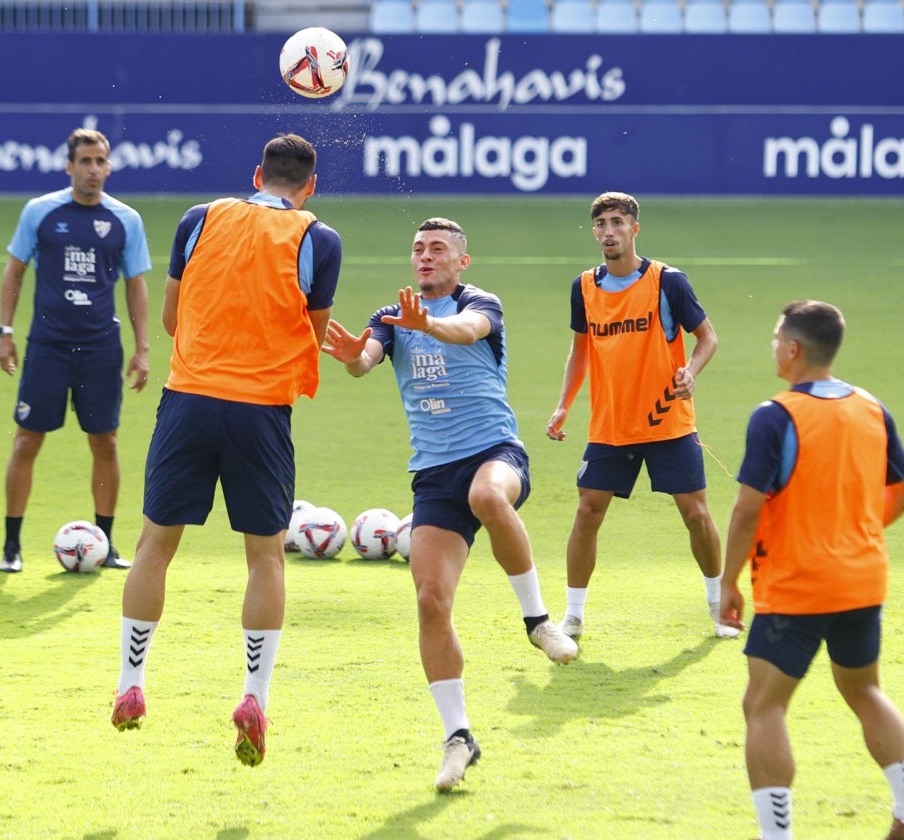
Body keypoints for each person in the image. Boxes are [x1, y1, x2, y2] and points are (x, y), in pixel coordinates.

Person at [110, 134, 343, 769]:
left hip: (187, 400)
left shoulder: (199, 218)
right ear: (310, 187)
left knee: (155, 546)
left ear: (257, 174)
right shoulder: (318, 239)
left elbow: (170, 320)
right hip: (261, 411)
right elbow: (313, 334)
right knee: (265, 559)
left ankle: (132, 682)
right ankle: (254, 697)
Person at [322, 218, 577, 793]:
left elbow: (467, 330)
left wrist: (429, 326)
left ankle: (538, 622)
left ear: (462, 261)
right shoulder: (392, 316)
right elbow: (365, 361)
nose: (425, 256)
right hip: (433, 475)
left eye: (438, 249)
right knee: (431, 600)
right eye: (418, 248)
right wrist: (348, 355)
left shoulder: (479, 303)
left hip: (495, 452)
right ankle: (458, 736)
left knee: (486, 495)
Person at [718, 300, 904, 840]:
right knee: (865, 691)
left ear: (793, 349)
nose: (772, 347)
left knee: (763, 705)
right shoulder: (871, 407)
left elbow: (746, 510)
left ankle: (776, 835)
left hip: (798, 587)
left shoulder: (776, 415)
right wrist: (857, 533)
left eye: (774, 338)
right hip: (862, 580)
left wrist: (728, 581)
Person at [546, 191, 738, 642]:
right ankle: (573, 616)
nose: (608, 232)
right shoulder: (585, 287)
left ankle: (718, 605)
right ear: (594, 232)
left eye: (617, 222)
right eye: (601, 225)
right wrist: (563, 404)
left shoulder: (667, 281)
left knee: (695, 514)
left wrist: (690, 371)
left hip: (667, 421)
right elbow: (581, 352)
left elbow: (707, 338)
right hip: (612, 425)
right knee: (588, 511)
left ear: (635, 228)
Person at [0, 128, 151, 574]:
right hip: (48, 347)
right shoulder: (41, 213)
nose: (94, 170)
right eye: (85, 161)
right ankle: (11, 546)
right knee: (27, 441)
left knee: (105, 442)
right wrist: (5, 331)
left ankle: (105, 543)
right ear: (69, 167)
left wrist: (142, 350)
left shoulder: (126, 220)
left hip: (101, 349)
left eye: (101, 161)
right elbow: (15, 270)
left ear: (109, 166)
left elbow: (135, 284)